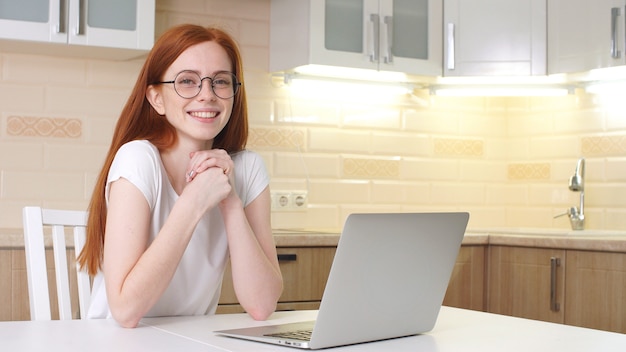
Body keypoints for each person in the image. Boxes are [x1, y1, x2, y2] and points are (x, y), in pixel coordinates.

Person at [77, 24, 283, 328]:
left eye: (221, 82)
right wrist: (193, 202)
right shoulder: (138, 159)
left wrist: (230, 203)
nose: (207, 95)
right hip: (115, 341)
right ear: (156, 98)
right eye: (187, 81)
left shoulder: (248, 169)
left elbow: (262, 305)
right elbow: (125, 311)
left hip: (188, 339)